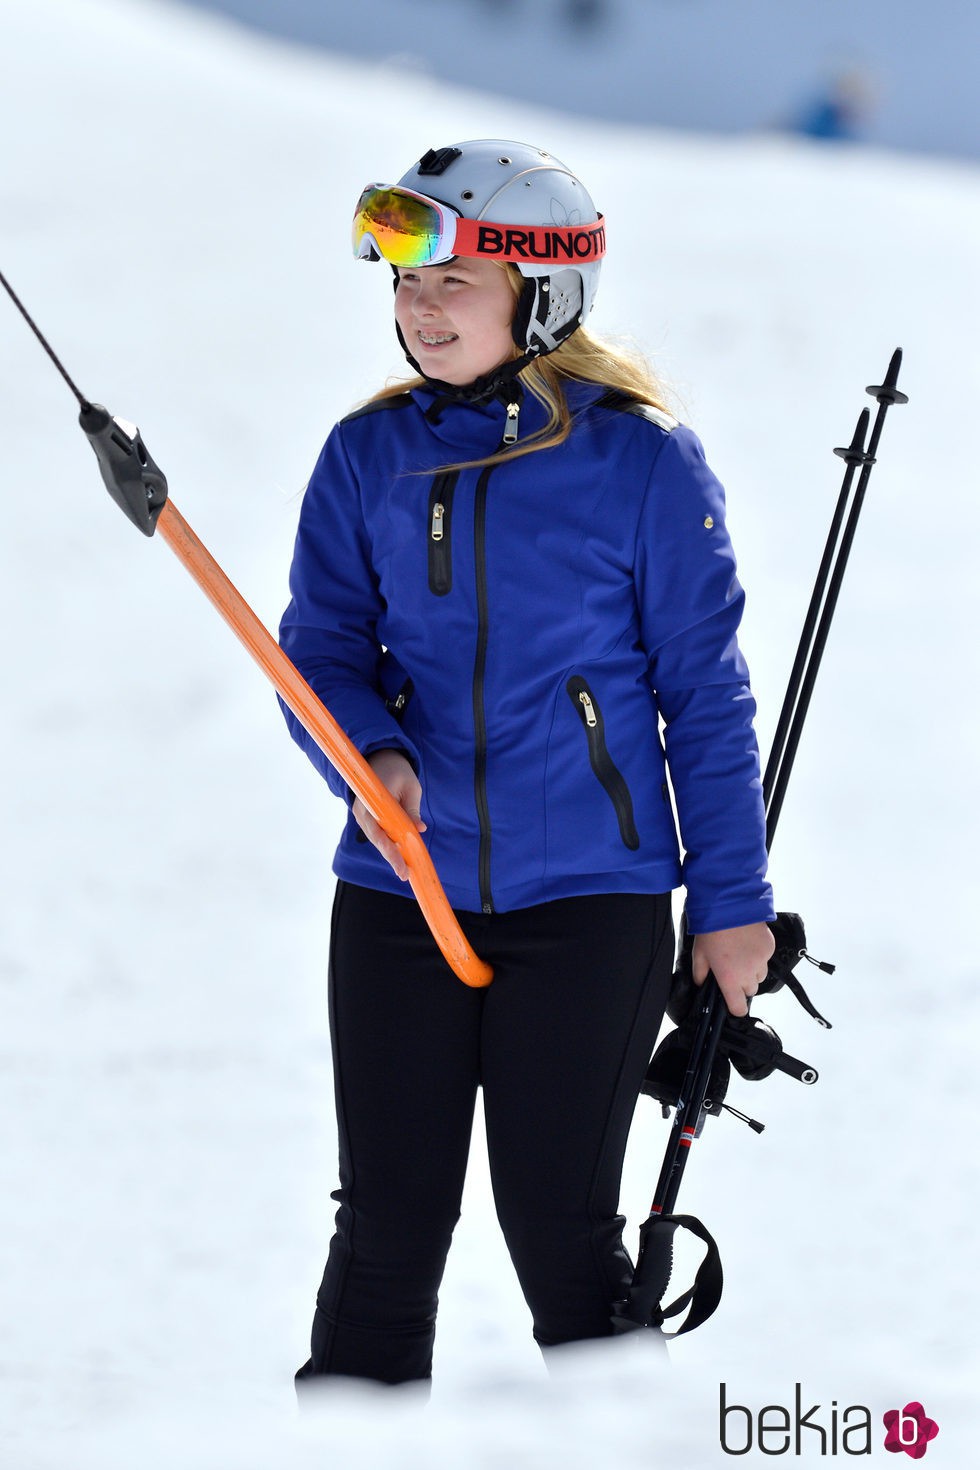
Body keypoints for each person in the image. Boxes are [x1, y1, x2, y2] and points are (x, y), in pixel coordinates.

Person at [279, 139, 776, 1387]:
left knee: (559, 1236)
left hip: (588, 905)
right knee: (385, 1235)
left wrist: (729, 908)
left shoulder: (642, 462)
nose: (417, 305)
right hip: (402, 894)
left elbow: (701, 699)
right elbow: (319, 646)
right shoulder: (365, 457)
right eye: (404, 279)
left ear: (542, 291)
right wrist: (370, 758)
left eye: (452, 279)